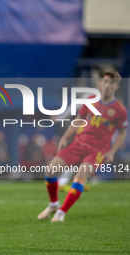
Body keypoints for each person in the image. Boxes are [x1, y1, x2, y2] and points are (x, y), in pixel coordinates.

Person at [37, 70, 127, 222]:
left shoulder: (119, 110)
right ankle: (53, 204)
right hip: (78, 144)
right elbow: (78, 120)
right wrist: (65, 137)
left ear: (116, 86)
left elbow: (123, 133)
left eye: (111, 83)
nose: (107, 85)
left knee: (79, 179)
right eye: (105, 81)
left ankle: (61, 213)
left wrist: (112, 152)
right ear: (100, 83)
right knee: (50, 170)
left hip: (98, 150)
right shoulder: (90, 100)